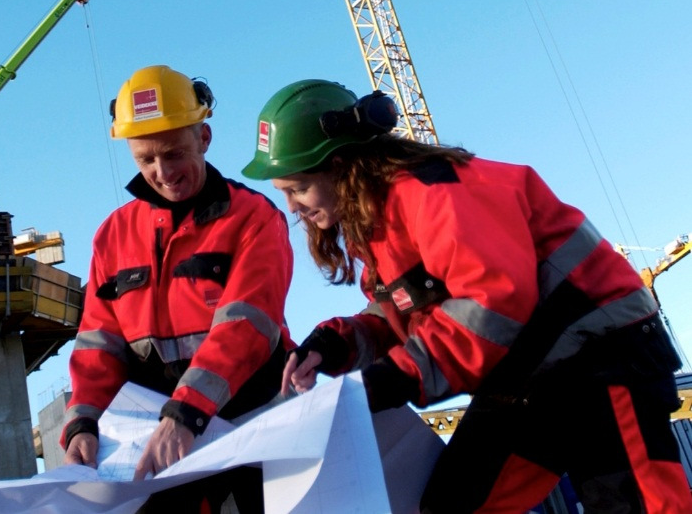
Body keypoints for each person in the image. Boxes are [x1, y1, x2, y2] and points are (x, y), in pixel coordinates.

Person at [242, 78, 692, 514]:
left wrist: (390, 380)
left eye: (298, 188)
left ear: (342, 166)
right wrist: (334, 345)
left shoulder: (435, 193)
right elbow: (395, 314)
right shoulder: (380, 227)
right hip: (530, 373)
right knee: (452, 505)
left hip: (601, 359)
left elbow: (491, 303)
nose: (293, 208)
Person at [62, 65, 295, 514]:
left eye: (173, 154)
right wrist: (82, 423)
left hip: (254, 427)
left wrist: (186, 412)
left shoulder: (254, 217)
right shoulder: (112, 235)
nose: (163, 172)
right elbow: (98, 344)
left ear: (204, 139)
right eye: (145, 160)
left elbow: (246, 328)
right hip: (165, 435)